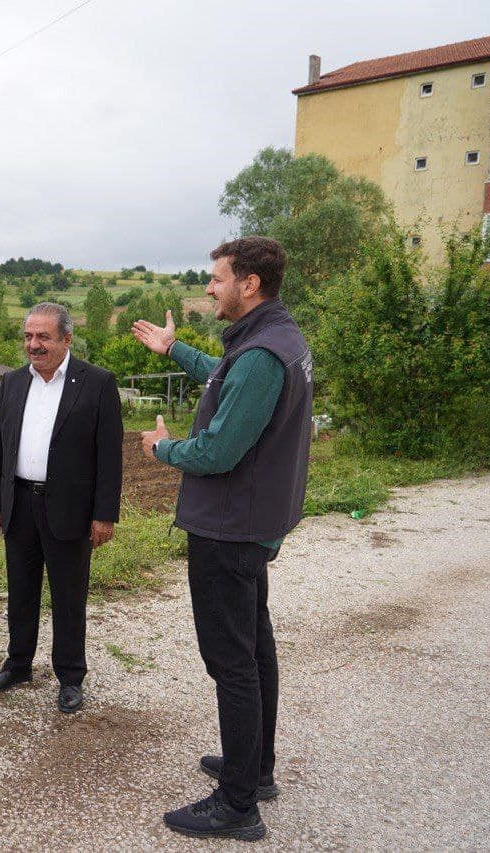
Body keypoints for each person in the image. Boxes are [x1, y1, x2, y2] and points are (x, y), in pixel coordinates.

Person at [132, 236, 312, 842]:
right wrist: (174, 348)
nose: (209, 288)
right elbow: (226, 380)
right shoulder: (273, 342)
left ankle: (238, 805)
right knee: (255, 649)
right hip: (252, 525)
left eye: (216, 279)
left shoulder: (262, 354)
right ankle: (254, 768)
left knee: (232, 662)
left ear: (249, 284)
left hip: (228, 529)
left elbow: (218, 450)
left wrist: (163, 450)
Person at [0, 302, 123, 714]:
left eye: (43, 336)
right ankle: (18, 665)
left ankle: (71, 676)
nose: (33, 345)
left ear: (66, 339)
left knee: (69, 596)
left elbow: (109, 456)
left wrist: (104, 514)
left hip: (70, 509)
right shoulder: (12, 383)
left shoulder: (96, 383)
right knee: (20, 592)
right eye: (28, 336)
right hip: (19, 503)